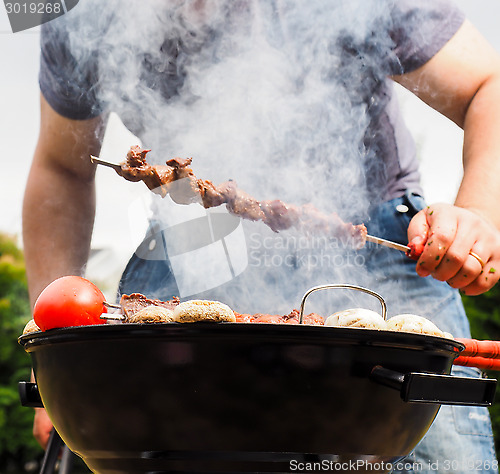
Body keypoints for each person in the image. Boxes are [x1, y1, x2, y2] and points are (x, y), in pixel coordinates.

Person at [22, 0, 500, 472]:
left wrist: (478, 214)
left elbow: (487, 85)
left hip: (378, 246)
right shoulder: (78, 11)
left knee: (441, 460)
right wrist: (53, 353)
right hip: (189, 253)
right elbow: (62, 167)